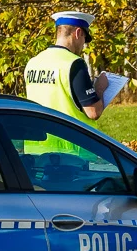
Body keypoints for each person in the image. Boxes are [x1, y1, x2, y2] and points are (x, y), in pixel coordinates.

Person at [24, 12, 109, 156]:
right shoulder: (73, 63)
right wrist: (100, 88)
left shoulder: (33, 62)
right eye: (84, 39)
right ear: (78, 33)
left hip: (35, 150)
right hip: (70, 152)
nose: (83, 45)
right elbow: (93, 112)